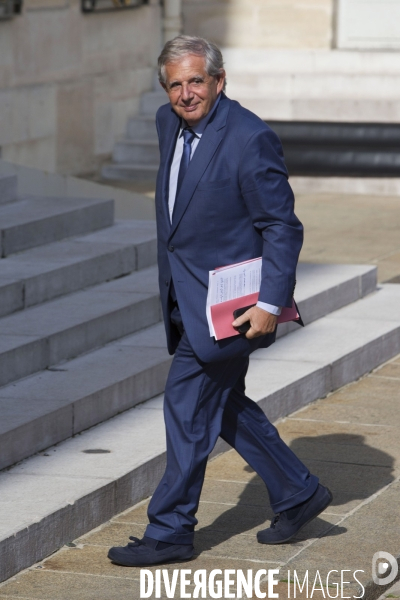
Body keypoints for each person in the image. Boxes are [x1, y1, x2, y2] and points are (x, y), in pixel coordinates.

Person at [108, 35, 332, 567]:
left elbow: (281, 226)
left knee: (187, 406)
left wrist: (270, 304)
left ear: (219, 80)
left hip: (236, 307)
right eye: (175, 84)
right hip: (186, 296)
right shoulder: (170, 124)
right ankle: (298, 493)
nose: (186, 94)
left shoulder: (249, 137)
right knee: (222, 403)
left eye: (196, 81)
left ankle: (170, 531)